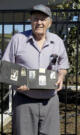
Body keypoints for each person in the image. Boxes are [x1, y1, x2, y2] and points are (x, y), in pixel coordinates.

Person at [2, 4, 69, 135]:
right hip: (24, 100)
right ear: (30, 21)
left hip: (50, 101)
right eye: (35, 19)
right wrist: (16, 82)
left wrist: (61, 76)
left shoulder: (58, 41)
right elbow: (5, 67)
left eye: (43, 19)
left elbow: (63, 66)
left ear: (49, 23)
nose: (39, 22)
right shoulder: (18, 39)